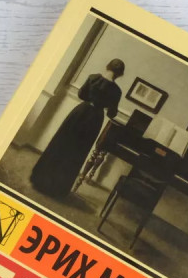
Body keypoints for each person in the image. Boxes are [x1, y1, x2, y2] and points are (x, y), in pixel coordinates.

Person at [30, 59, 125, 198]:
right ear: (120, 74)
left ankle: (40, 179)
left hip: (80, 113)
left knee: (61, 144)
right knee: (77, 152)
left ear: (108, 66)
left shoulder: (93, 78)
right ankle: (57, 189)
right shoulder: (116, 91)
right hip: (94, 119)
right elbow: (112, 113)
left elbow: (81, 95)